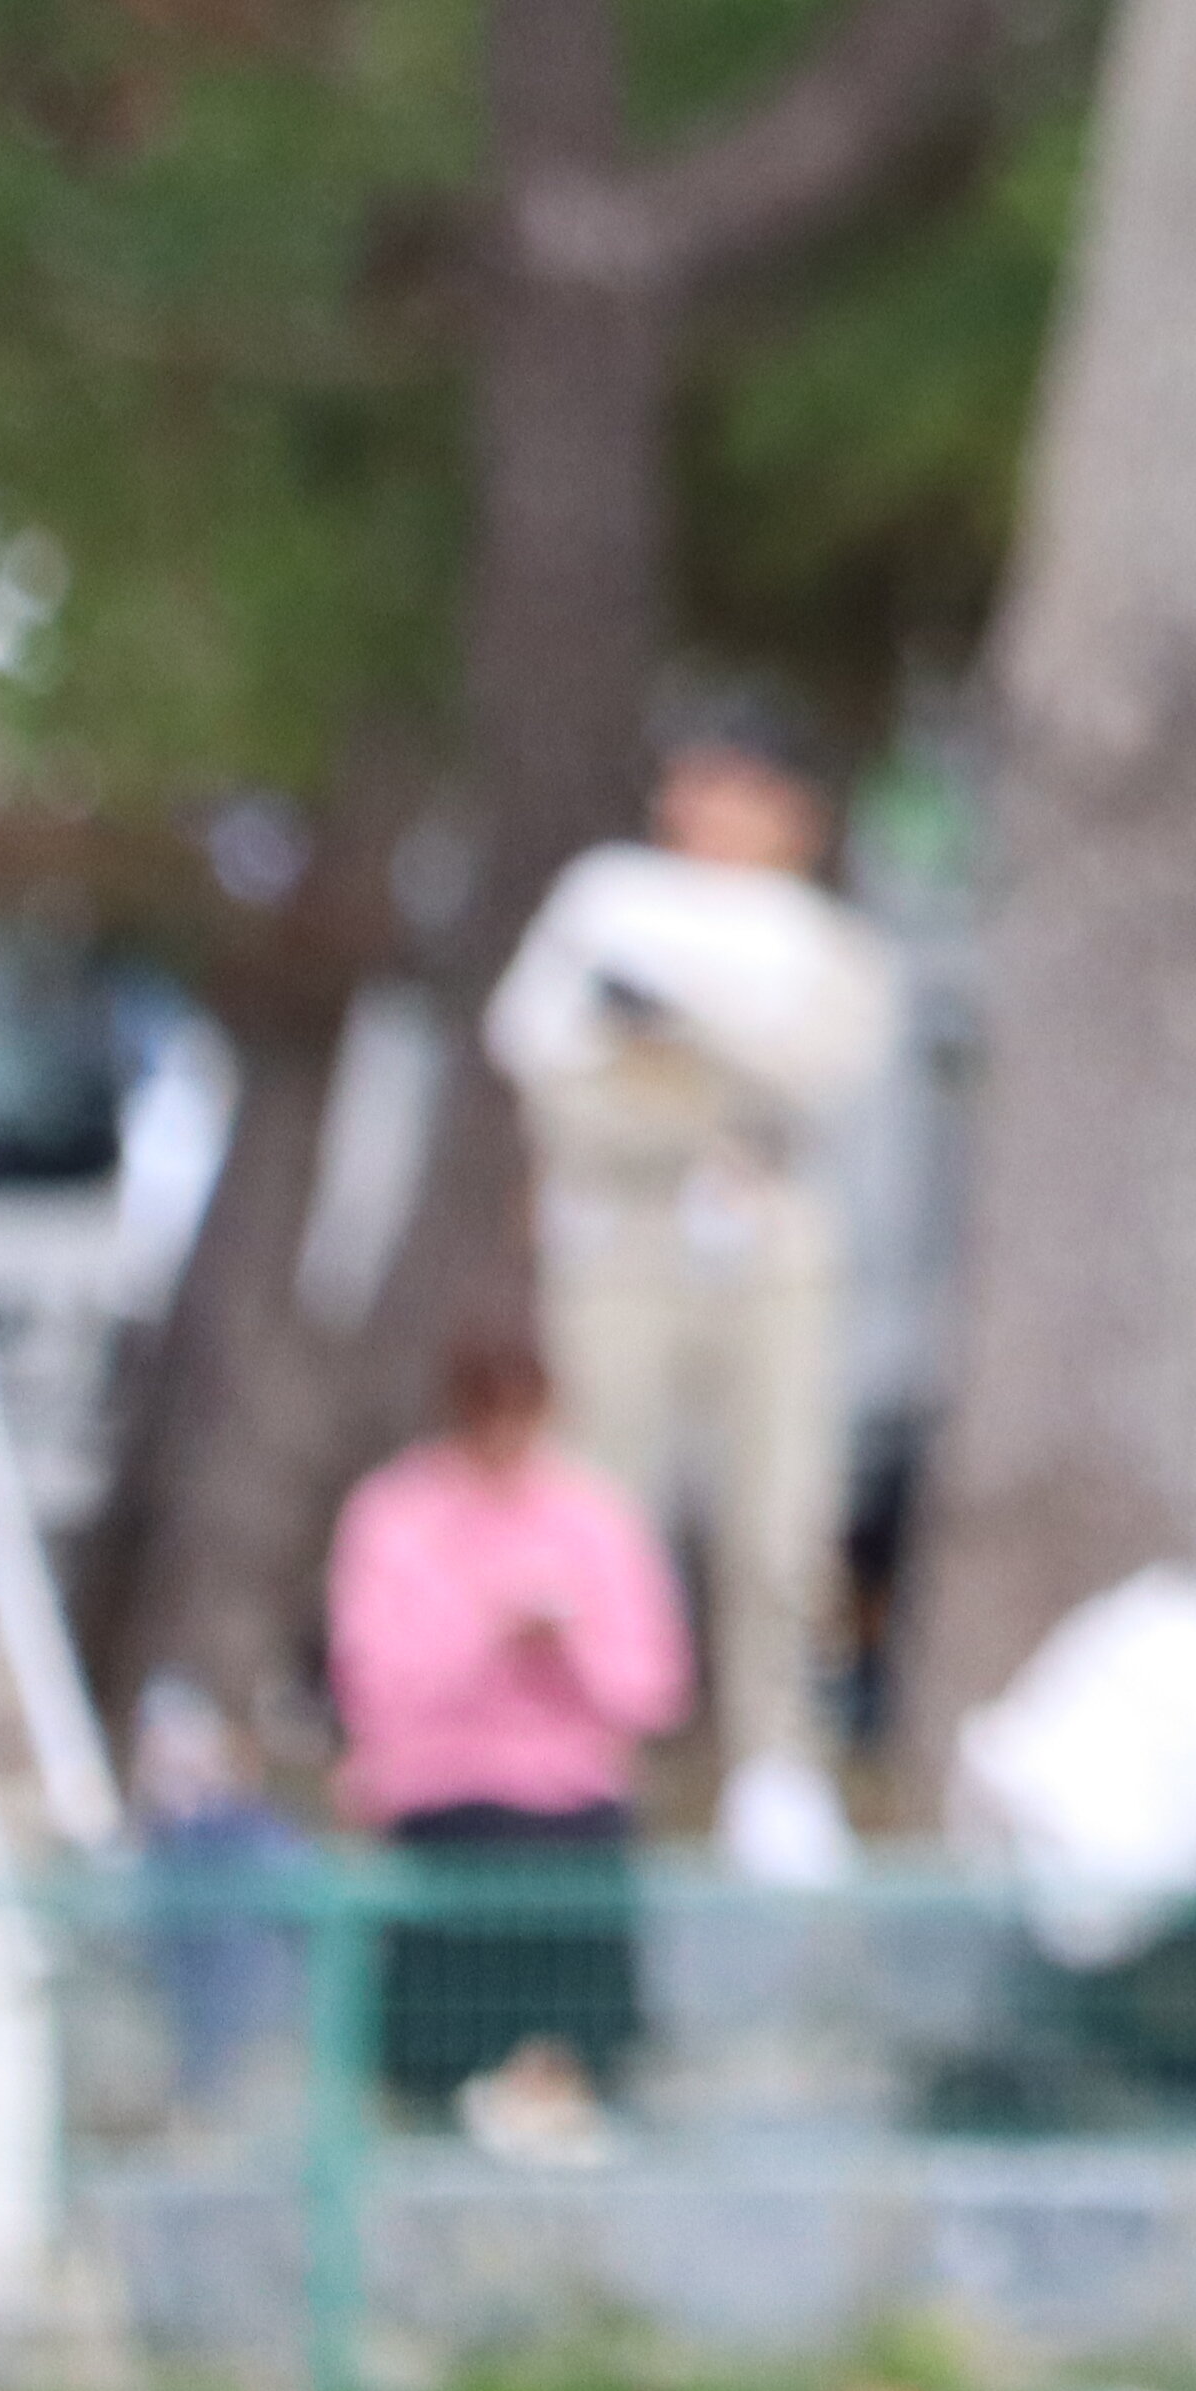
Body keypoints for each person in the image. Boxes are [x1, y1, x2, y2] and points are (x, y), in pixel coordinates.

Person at [485, 720, 902, 1886]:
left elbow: (818, 1075)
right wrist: (696, 1082)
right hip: (621, 1228)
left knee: (781, 1511)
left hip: (763, 1231)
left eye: (745, 787)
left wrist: (681, 1035)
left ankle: (779, 1761)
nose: (714, 808)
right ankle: (596, 1751)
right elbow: (555, 1076)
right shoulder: (608, 899)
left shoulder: (824, 937)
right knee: (601, 1499)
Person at [327, 1329, 687, 2163]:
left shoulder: (593, 1516)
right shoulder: (395, 1516)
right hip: (443, 1805)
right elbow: (370, 1682)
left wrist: (565, 1651)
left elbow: (653, 1688)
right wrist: (485, 1641)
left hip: (571, 1810)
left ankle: (569, 2079)